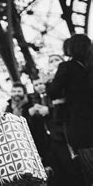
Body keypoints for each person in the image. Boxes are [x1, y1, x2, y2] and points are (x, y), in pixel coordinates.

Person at [47, 34, 93, 185]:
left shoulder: (67, 67)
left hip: (78, 126)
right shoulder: (89, 67)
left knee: (88, 170)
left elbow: (53, 92)